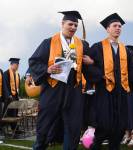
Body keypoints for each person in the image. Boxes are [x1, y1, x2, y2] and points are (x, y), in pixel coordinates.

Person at [29, 10, 93, 150]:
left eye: (76, 25)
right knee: (45, 125)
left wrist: (91, 62)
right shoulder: (49, 42)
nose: (73, 28)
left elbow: (88, 67)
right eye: (70, 24)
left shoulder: (81, 44)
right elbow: (34, 62)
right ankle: (39, 147)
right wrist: (47, 69)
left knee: (73, 126)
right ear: (62, 24)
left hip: (73, 89)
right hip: (53, 89)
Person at [84, 13, 133, 150]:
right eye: (115, 26)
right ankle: (95, 145)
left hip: (121, 94)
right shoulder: (97, 47)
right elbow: (87, 66)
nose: (118, 28)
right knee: (103, 127)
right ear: (107, 29)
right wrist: (101, 75)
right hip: (104, 93)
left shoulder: (126, 51)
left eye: (120, 26)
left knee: (119, 128)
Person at [3, 58, 20, 131]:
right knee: (7, 113)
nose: (17, 66)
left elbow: (17, 86)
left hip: (15, 96)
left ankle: (15, 128)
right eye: (16, 65)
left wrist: (17, 95)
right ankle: (3, 127)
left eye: (18, 65)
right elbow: (5, 85)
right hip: (9, 97)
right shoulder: (6, 73)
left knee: (15, 112)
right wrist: (8, 95)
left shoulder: (17, 74)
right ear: (12, 65)